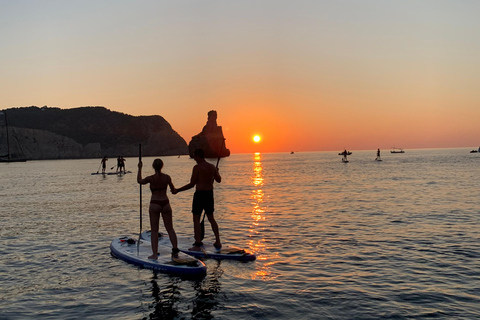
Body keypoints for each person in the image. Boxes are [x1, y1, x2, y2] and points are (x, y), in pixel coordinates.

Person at [173, 149, 222, 251]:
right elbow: (219, 180)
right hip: (209, 194)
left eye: (195, 156)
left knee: (196, 219)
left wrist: (178, 190)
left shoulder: (197, 167)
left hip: (200, 195)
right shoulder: (212, 167)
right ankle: (218, 241)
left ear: (199, 156)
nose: (194, 158)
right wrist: (216, 171)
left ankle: (198, 243)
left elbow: (191, 184)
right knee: (211, 218)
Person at [137, 159, 179, 259]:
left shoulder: (151, 178)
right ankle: (175, 249)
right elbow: (173, 190)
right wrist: (176, 191)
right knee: (170, 229)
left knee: (154, 231)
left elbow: (139, 181)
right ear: (162, 166)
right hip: (165, 203)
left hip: (155, 203)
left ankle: (155, 254)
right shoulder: (167, 177)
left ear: (153, 166)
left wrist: (139, 168)